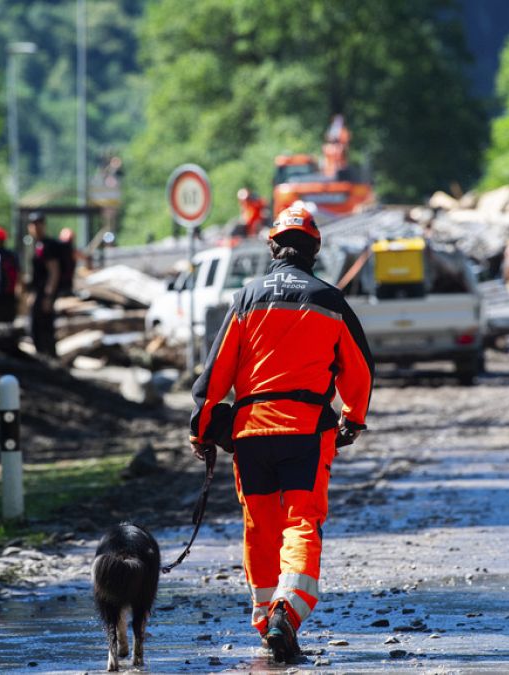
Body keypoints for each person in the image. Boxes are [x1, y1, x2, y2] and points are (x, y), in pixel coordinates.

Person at [188, 204, 374, 664]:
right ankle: (286, 614)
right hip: (306, 432)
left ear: (272, 246)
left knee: (260, 528)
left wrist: (203, 427)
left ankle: (267, 616)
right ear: (315, 250)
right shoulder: (329, 300)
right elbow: (360, 371)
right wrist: (353, 416)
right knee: (300, 523)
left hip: (251, 434)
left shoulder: (246, 298)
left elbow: (214, 376)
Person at [27, 213, 61, 357]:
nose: (36, 227)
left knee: (44, 329)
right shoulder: (36, 245)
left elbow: (54, 272)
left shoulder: (47, 246)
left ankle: (49, 362)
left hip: (45, 294)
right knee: (36, 329)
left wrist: (48, 296)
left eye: (39, 223)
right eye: (33, 224)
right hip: (38, 292)